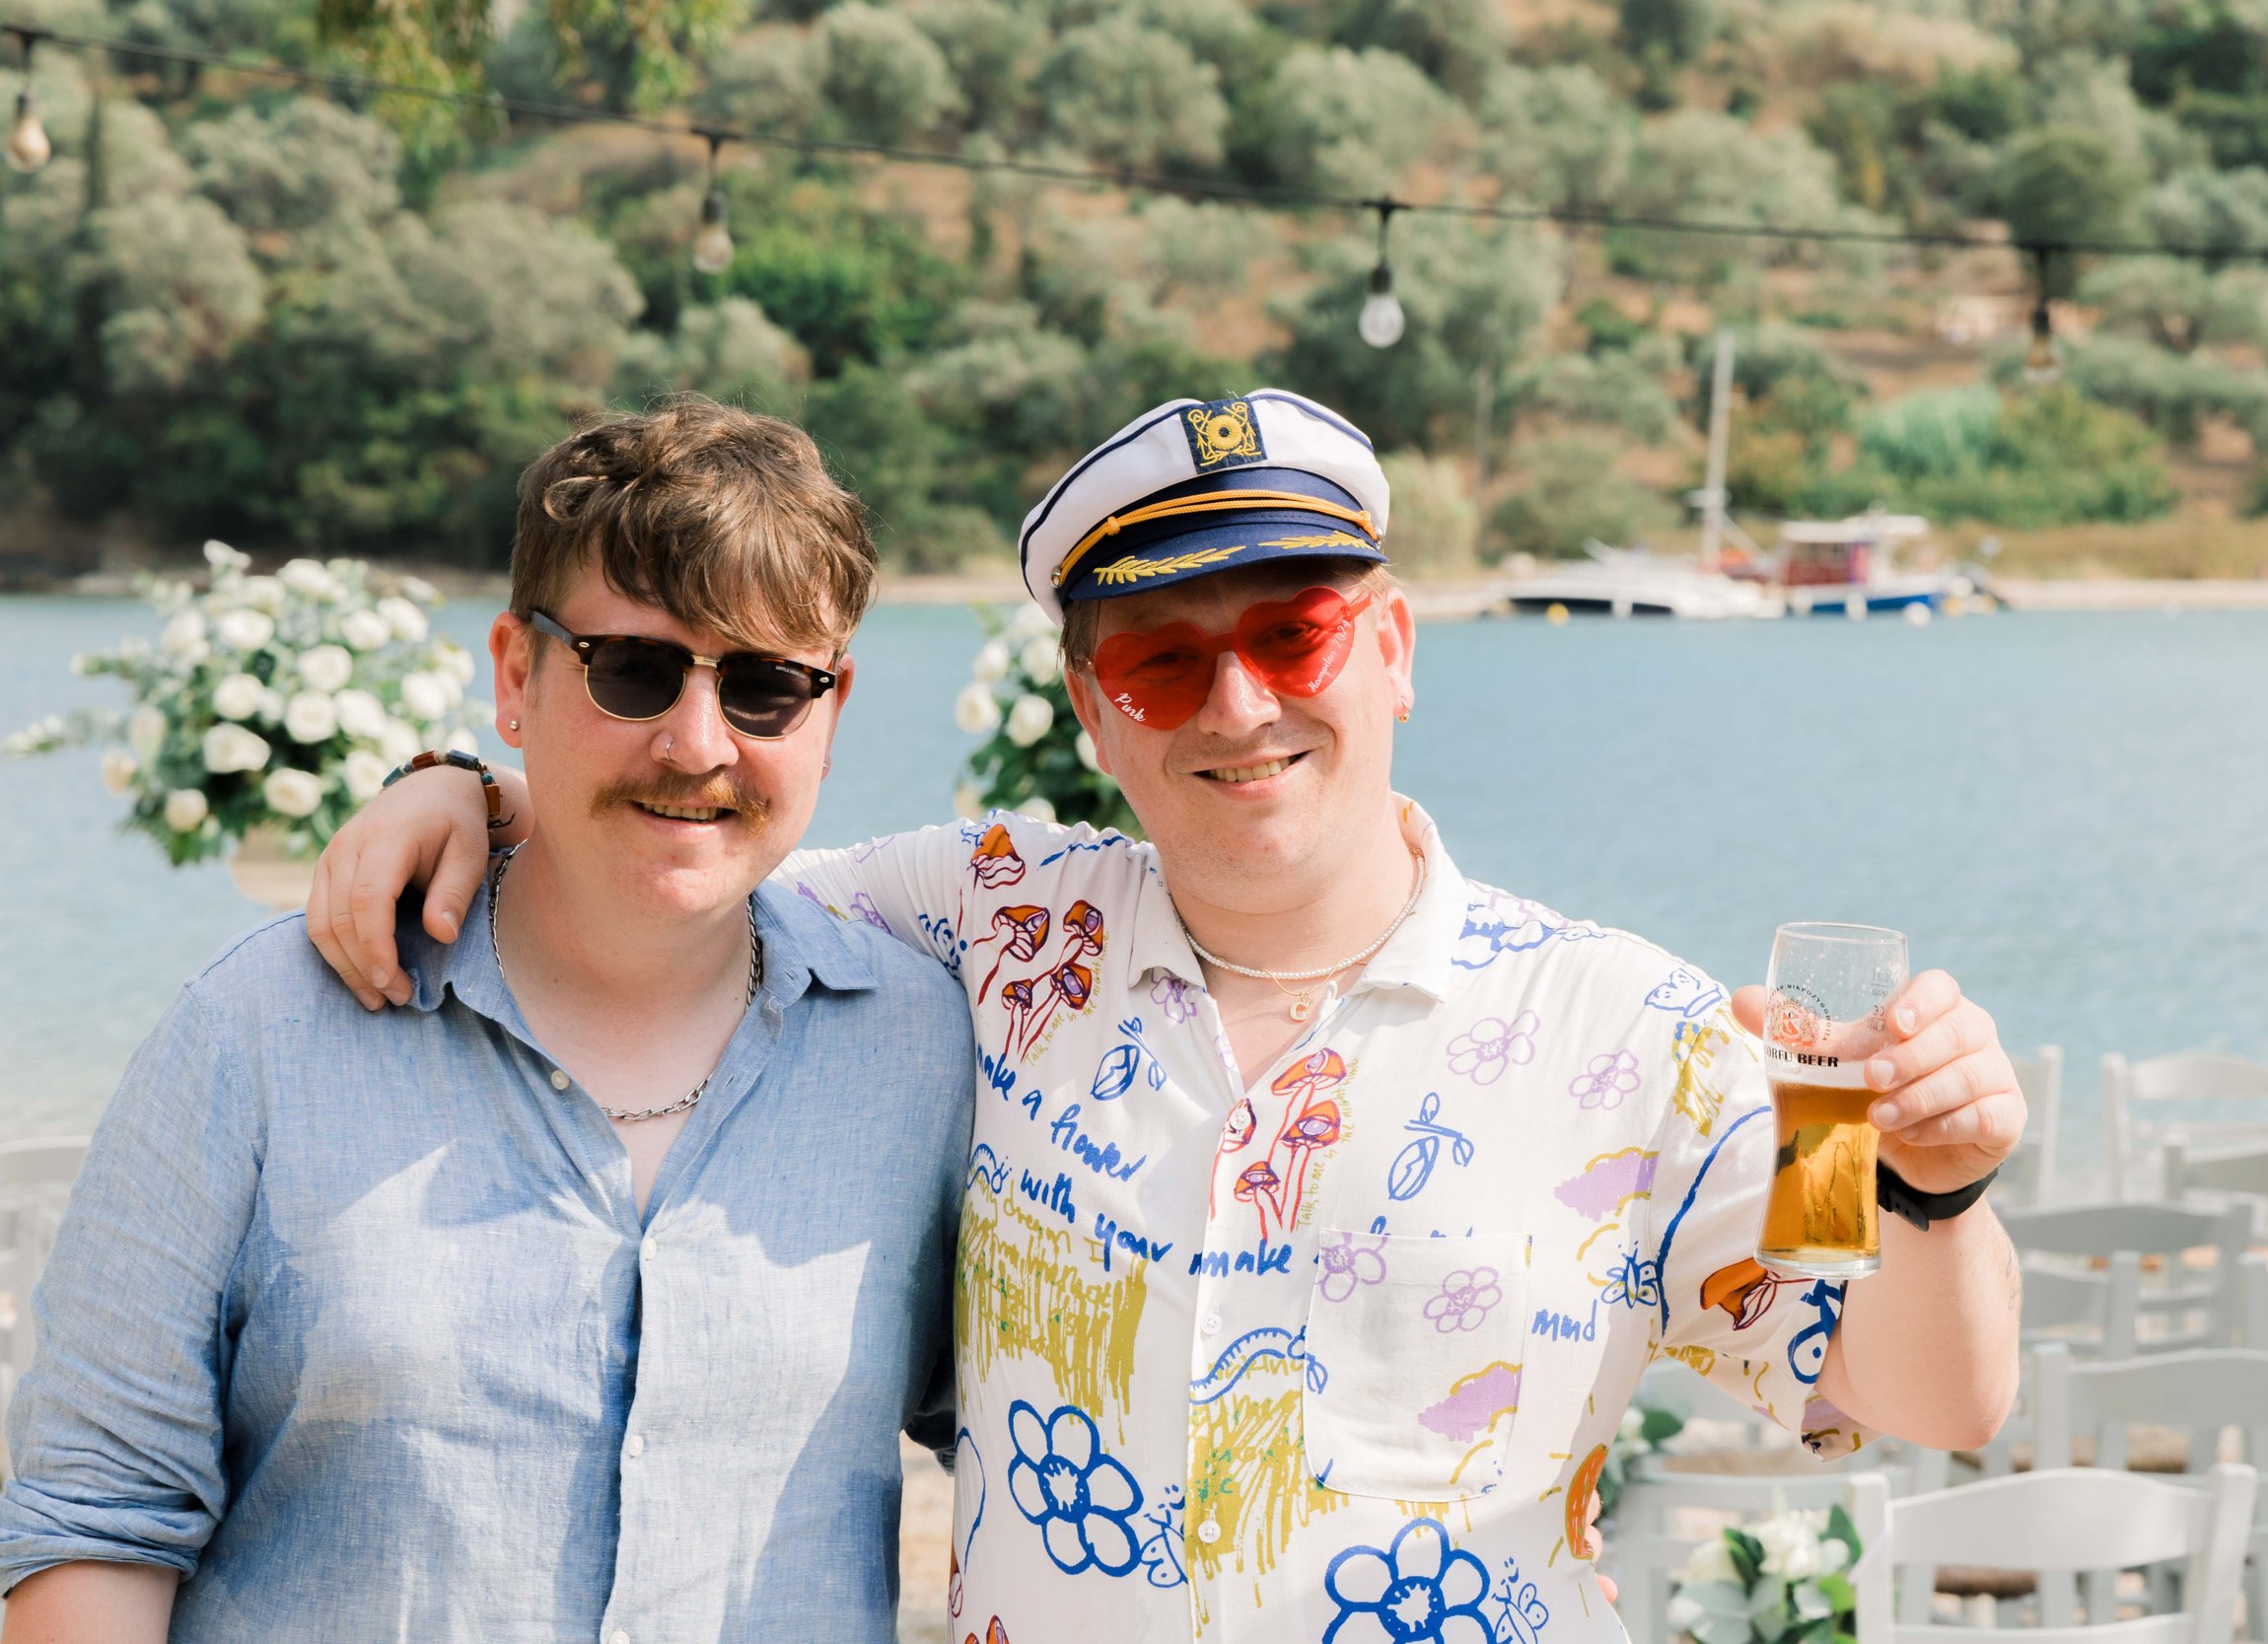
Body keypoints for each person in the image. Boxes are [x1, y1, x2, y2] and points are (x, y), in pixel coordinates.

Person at [310, 389, 2027, 1643]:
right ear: (1093, 710)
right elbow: (691, 841)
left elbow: (1916, 1385)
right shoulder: (988, 920)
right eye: (1165, 662)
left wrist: (1922, 1186)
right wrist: (469, 784)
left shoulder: (1633, 1023)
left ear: (1397, 648)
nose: (1242, 702)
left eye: (1296, 635)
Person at [0, 398, 976, 1642]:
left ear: (830, 712)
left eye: (766, 686)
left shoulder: (925, 1049)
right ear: (515, 675)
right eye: (632, 668)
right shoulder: (254, 1034)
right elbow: (96, 1516)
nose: (695, 740)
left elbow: (1043, 1437)